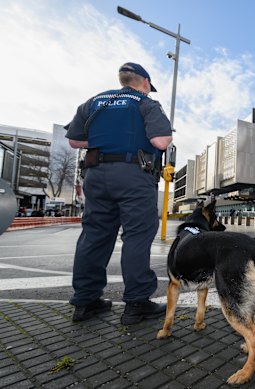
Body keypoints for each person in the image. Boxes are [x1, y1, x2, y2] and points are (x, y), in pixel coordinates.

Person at [66, 62, 173, 324]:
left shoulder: (94, 102)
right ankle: (137, 304)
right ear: (145, 82)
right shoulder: (145, 103)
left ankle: (85, 302)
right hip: (133, 175)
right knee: (136, 236)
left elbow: (74, 140)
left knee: (94, 236)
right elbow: (161, 141)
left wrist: (104, 140)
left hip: (97, 174)